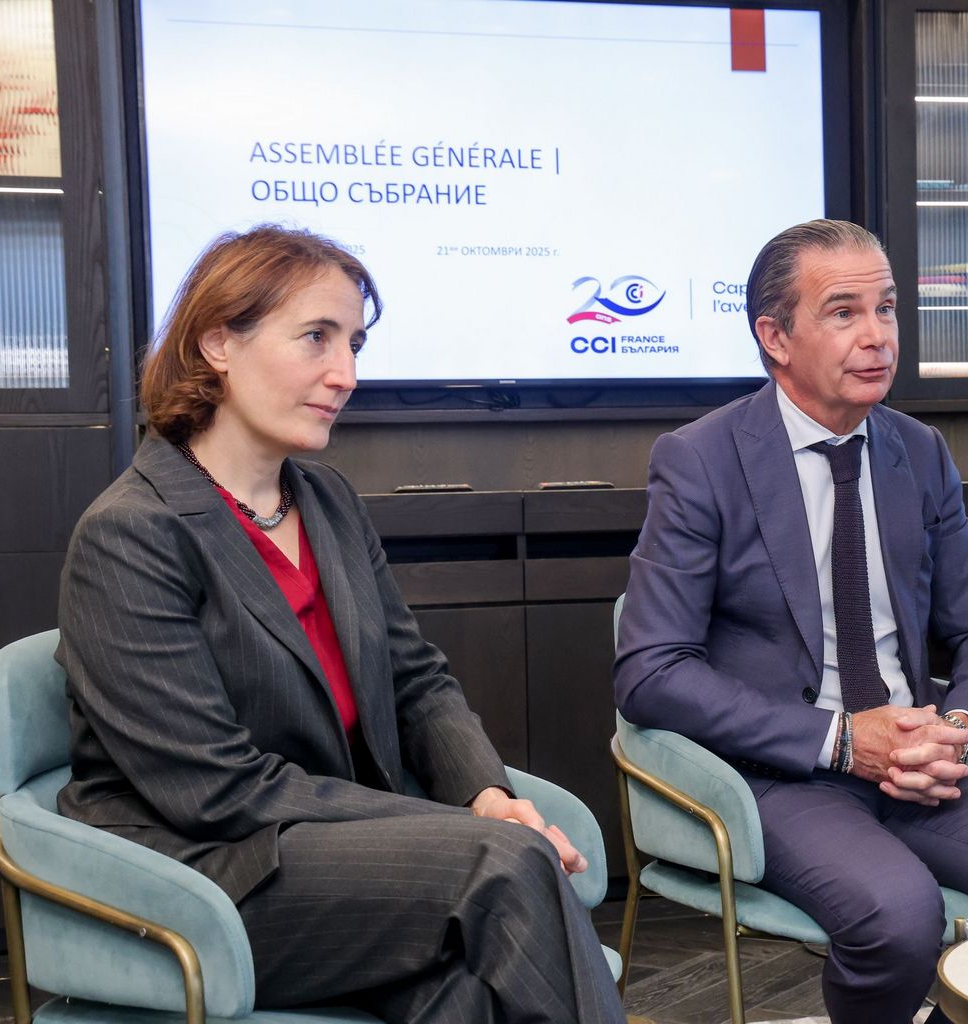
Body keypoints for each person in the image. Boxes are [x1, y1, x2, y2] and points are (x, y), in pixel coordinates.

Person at [55, 225, 625, 1023]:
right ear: (218, 342)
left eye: (354, 344)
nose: (346, 374)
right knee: (502, 865)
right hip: (212, 877)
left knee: (471, 993)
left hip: (336, 851)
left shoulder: (327, 501)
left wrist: (486, 794)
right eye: (316, 338)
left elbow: (415, 680)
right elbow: (216, 791)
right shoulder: (131, 533)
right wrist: (456, 829)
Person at [614, 219, 968, 1024]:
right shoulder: (702, 460)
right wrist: (844, 740)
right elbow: (651, 672)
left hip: (921, 758)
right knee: (899, 913)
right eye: (844, 312)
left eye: (886, 308)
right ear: (775, 337)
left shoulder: (919, 451)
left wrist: (959, 730)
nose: (878, 336)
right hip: (785, 770)